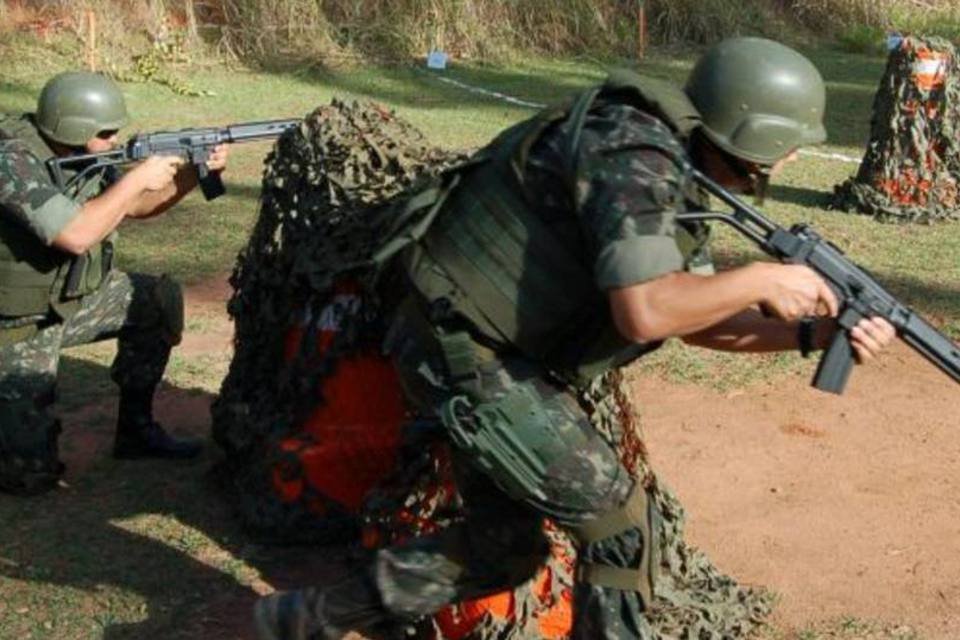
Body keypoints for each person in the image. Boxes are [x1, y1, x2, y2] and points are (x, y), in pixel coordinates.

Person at [253, 37, 896, 639]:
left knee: (502, 548)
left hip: (481, 346)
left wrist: (810, 334)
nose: (790, 159)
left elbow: (690, 317)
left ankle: (306, 618)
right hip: (467, 352)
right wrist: (760, 278)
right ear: (756, 133)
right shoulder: (633, 153)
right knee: (620, 531)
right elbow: (645, 312)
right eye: (790, 144)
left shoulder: (671, 166)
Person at [0, 71, 230, 496]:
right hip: (15, 324)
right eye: (105, 132)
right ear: (73, 128)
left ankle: (136, 431)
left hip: (66, 300)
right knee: (29, 475)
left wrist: (191, 175)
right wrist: (137, 177)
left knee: (154, 301)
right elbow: (76, 234)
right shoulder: (10, 160)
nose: (113, 138)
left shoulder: (79, 152)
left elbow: (136, 207)